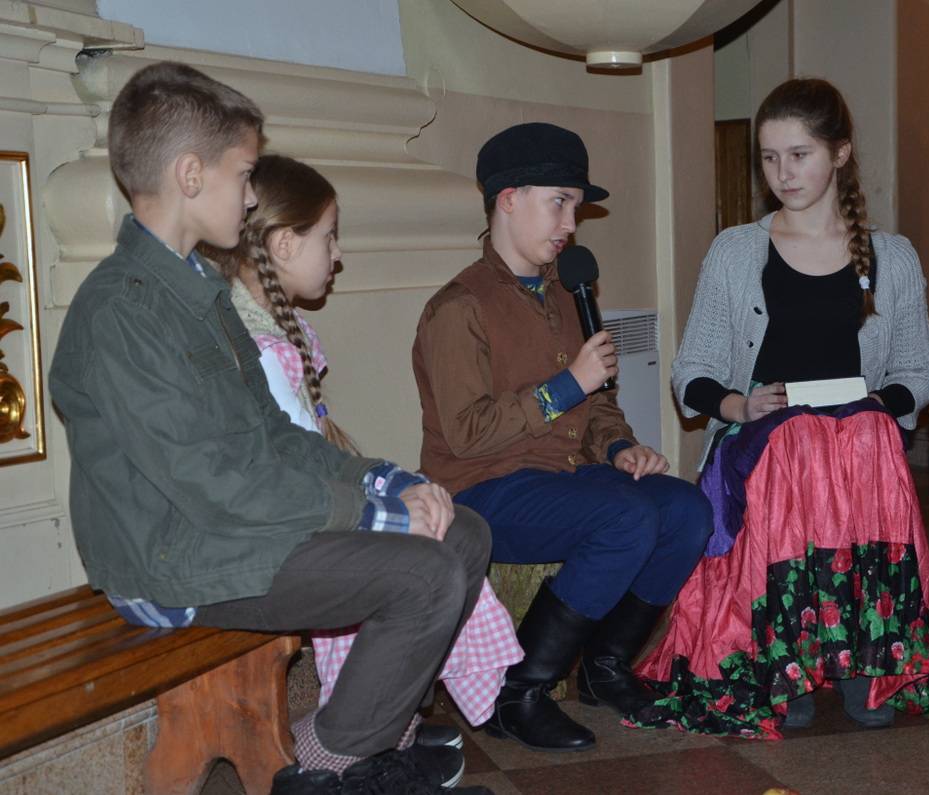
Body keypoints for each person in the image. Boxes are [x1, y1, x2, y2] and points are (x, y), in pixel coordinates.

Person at [48, 61, 492, 794]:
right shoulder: (121, 313)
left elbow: (276, 437)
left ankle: (366, 747)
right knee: (424, 570)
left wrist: (384, 481)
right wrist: (376, 515)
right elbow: (211, 484)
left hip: (230, 529)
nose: (253, 195)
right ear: (191, 175)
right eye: (245, 174)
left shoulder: (201, 292)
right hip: (173, 561)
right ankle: (328, 768)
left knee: (460, 531)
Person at [634, 78, 929, 739]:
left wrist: (875, 404)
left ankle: (863, 657)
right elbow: (691, 373)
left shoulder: (892, 257)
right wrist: (739, 404)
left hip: (855, 450)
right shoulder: (736, 251)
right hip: (763, 446)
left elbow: (917, 375)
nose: (783, 173)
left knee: (864, 433)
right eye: (770, 158)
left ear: (840, 153)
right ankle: (784, 662)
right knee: (797, 438)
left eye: (799, 155)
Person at [412, 122, 714, 753]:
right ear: (509, 199)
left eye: (575, 207)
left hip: (567, 478)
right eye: (560, 203)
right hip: (484, 489)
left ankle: (605, 667)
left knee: (687, 509)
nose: (571, 224)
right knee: (626, 517)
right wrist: (566, 386)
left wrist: (620, 447)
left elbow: (598, 403)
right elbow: (467, 435)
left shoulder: (567, 294)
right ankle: (518, 691)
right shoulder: (458, 308)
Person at [206, 153, 523, 742]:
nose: (338, 254)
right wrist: (388, 513)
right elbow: (280, 481)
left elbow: (313, 452)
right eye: (329, 237)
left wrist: (397, 489)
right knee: (425, 562)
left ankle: (393, 717)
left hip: (302, 517)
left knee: (464, 530)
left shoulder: (279, 330)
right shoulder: (248, 346)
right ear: (283, 244)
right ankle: (341, 747)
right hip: (262, 544)